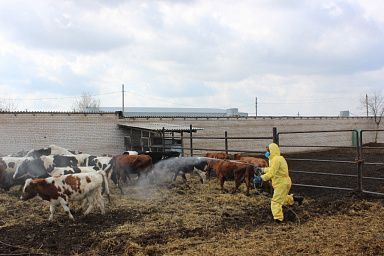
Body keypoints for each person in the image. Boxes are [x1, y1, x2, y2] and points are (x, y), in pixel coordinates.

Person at [253, 143, 303, 223]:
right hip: (284, 182)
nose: (267, 152)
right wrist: (262, 170)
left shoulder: (276, 159)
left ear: (272, 151)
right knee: (281, 199)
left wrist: (261, 178)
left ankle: (278, 219)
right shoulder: (276, 159)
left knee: (275, 202)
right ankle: (295, 198)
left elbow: (271, 173)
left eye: (268, 151)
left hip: (281, 183)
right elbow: (272, 169)